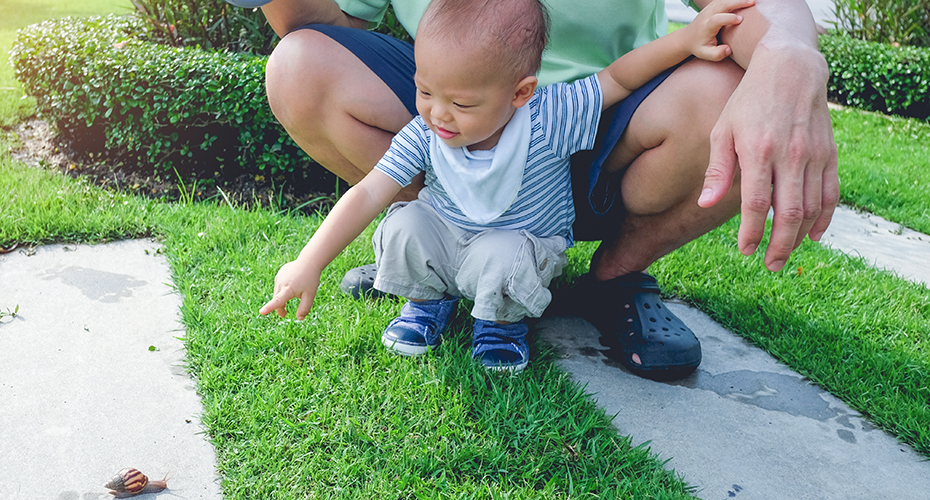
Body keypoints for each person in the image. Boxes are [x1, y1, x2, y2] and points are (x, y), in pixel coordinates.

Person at [251, 0, 839, 380]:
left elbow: (616, 79)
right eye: (425, 97)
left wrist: (773, 50)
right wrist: (308, 261)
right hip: (456, 184)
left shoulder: (551, 111)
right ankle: (433, 284)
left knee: (509, 252)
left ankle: (600, 283)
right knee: (401, 223)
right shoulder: (431, 121)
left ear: (522, 93)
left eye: (450, 105)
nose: (435, 116)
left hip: (575, 166)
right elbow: (369, 195)